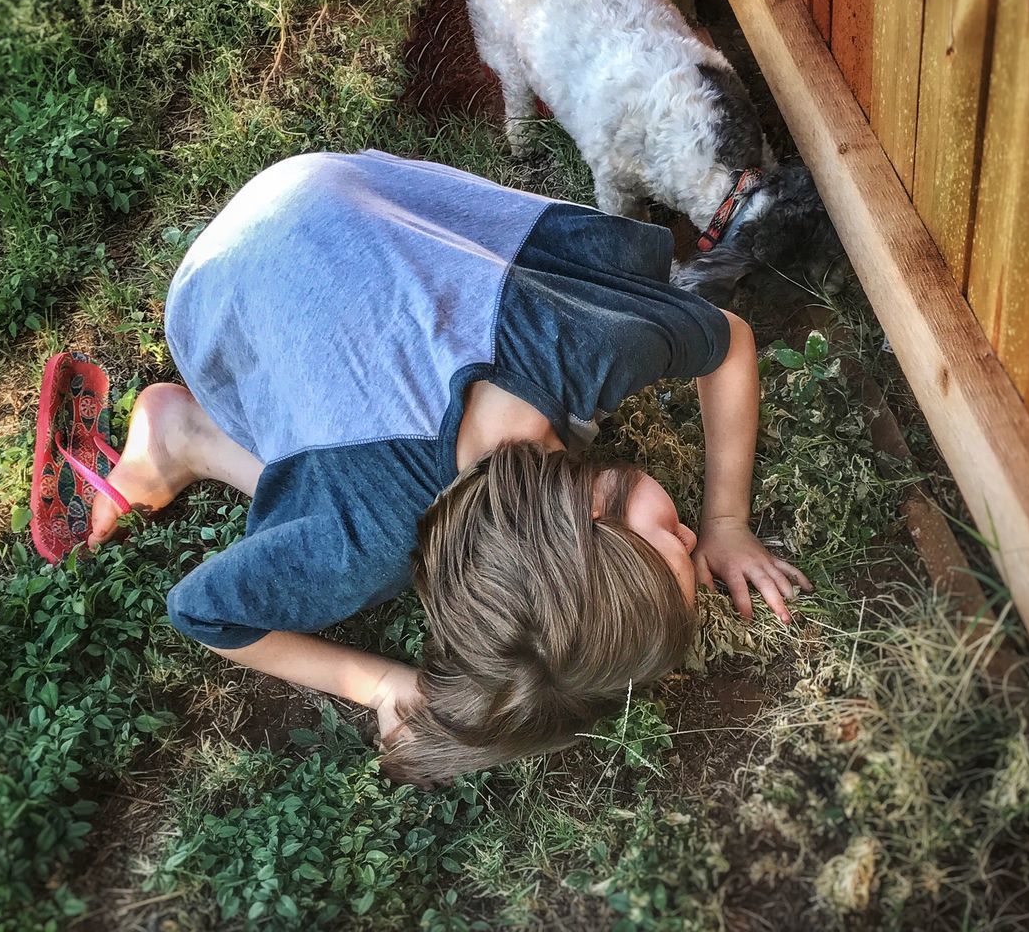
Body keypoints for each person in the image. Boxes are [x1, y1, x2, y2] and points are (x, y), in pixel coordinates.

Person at [85, 150, 810, 782]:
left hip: (320, 207)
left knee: (377, 512)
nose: (688, 540)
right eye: (688, 548)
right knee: (385, 527)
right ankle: (189, 434)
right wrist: (375, 683)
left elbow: (727, 343)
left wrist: (718, 523)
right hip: (255, 256)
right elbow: (202, 612)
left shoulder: (588, 346)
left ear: (590, 518)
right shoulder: (365, 540)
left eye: (672, 546)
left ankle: (184, 435)